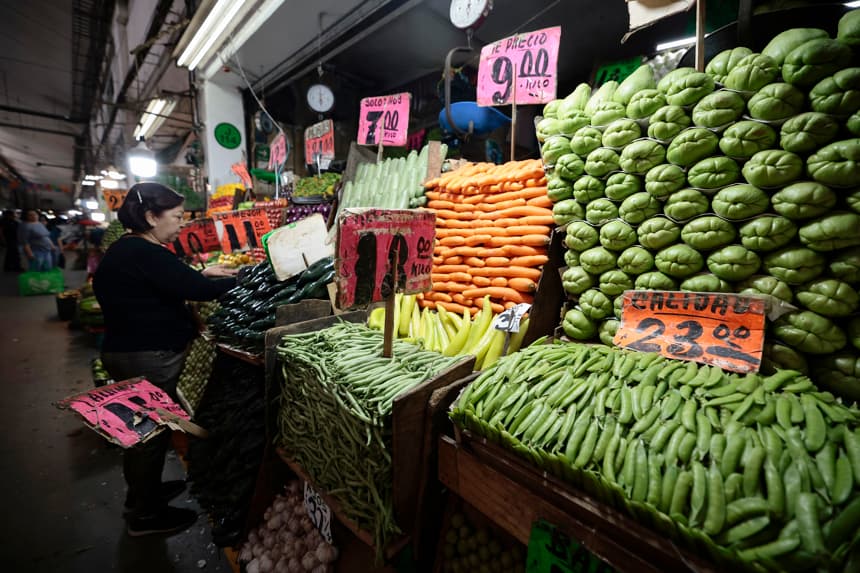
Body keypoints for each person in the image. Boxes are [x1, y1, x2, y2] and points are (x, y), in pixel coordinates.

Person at [93, 182, 238, 537]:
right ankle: (146, 516)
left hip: (125, 350)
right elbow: (198, 290)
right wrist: (242, 280)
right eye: (175, 217)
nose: (181, 225)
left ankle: (143, 495)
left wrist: (200, 275)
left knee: (139, 430)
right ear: (150, 216)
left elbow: (164, 285)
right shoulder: (147, 253)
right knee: (149, 435)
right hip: (147, 356)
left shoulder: (126, 250)